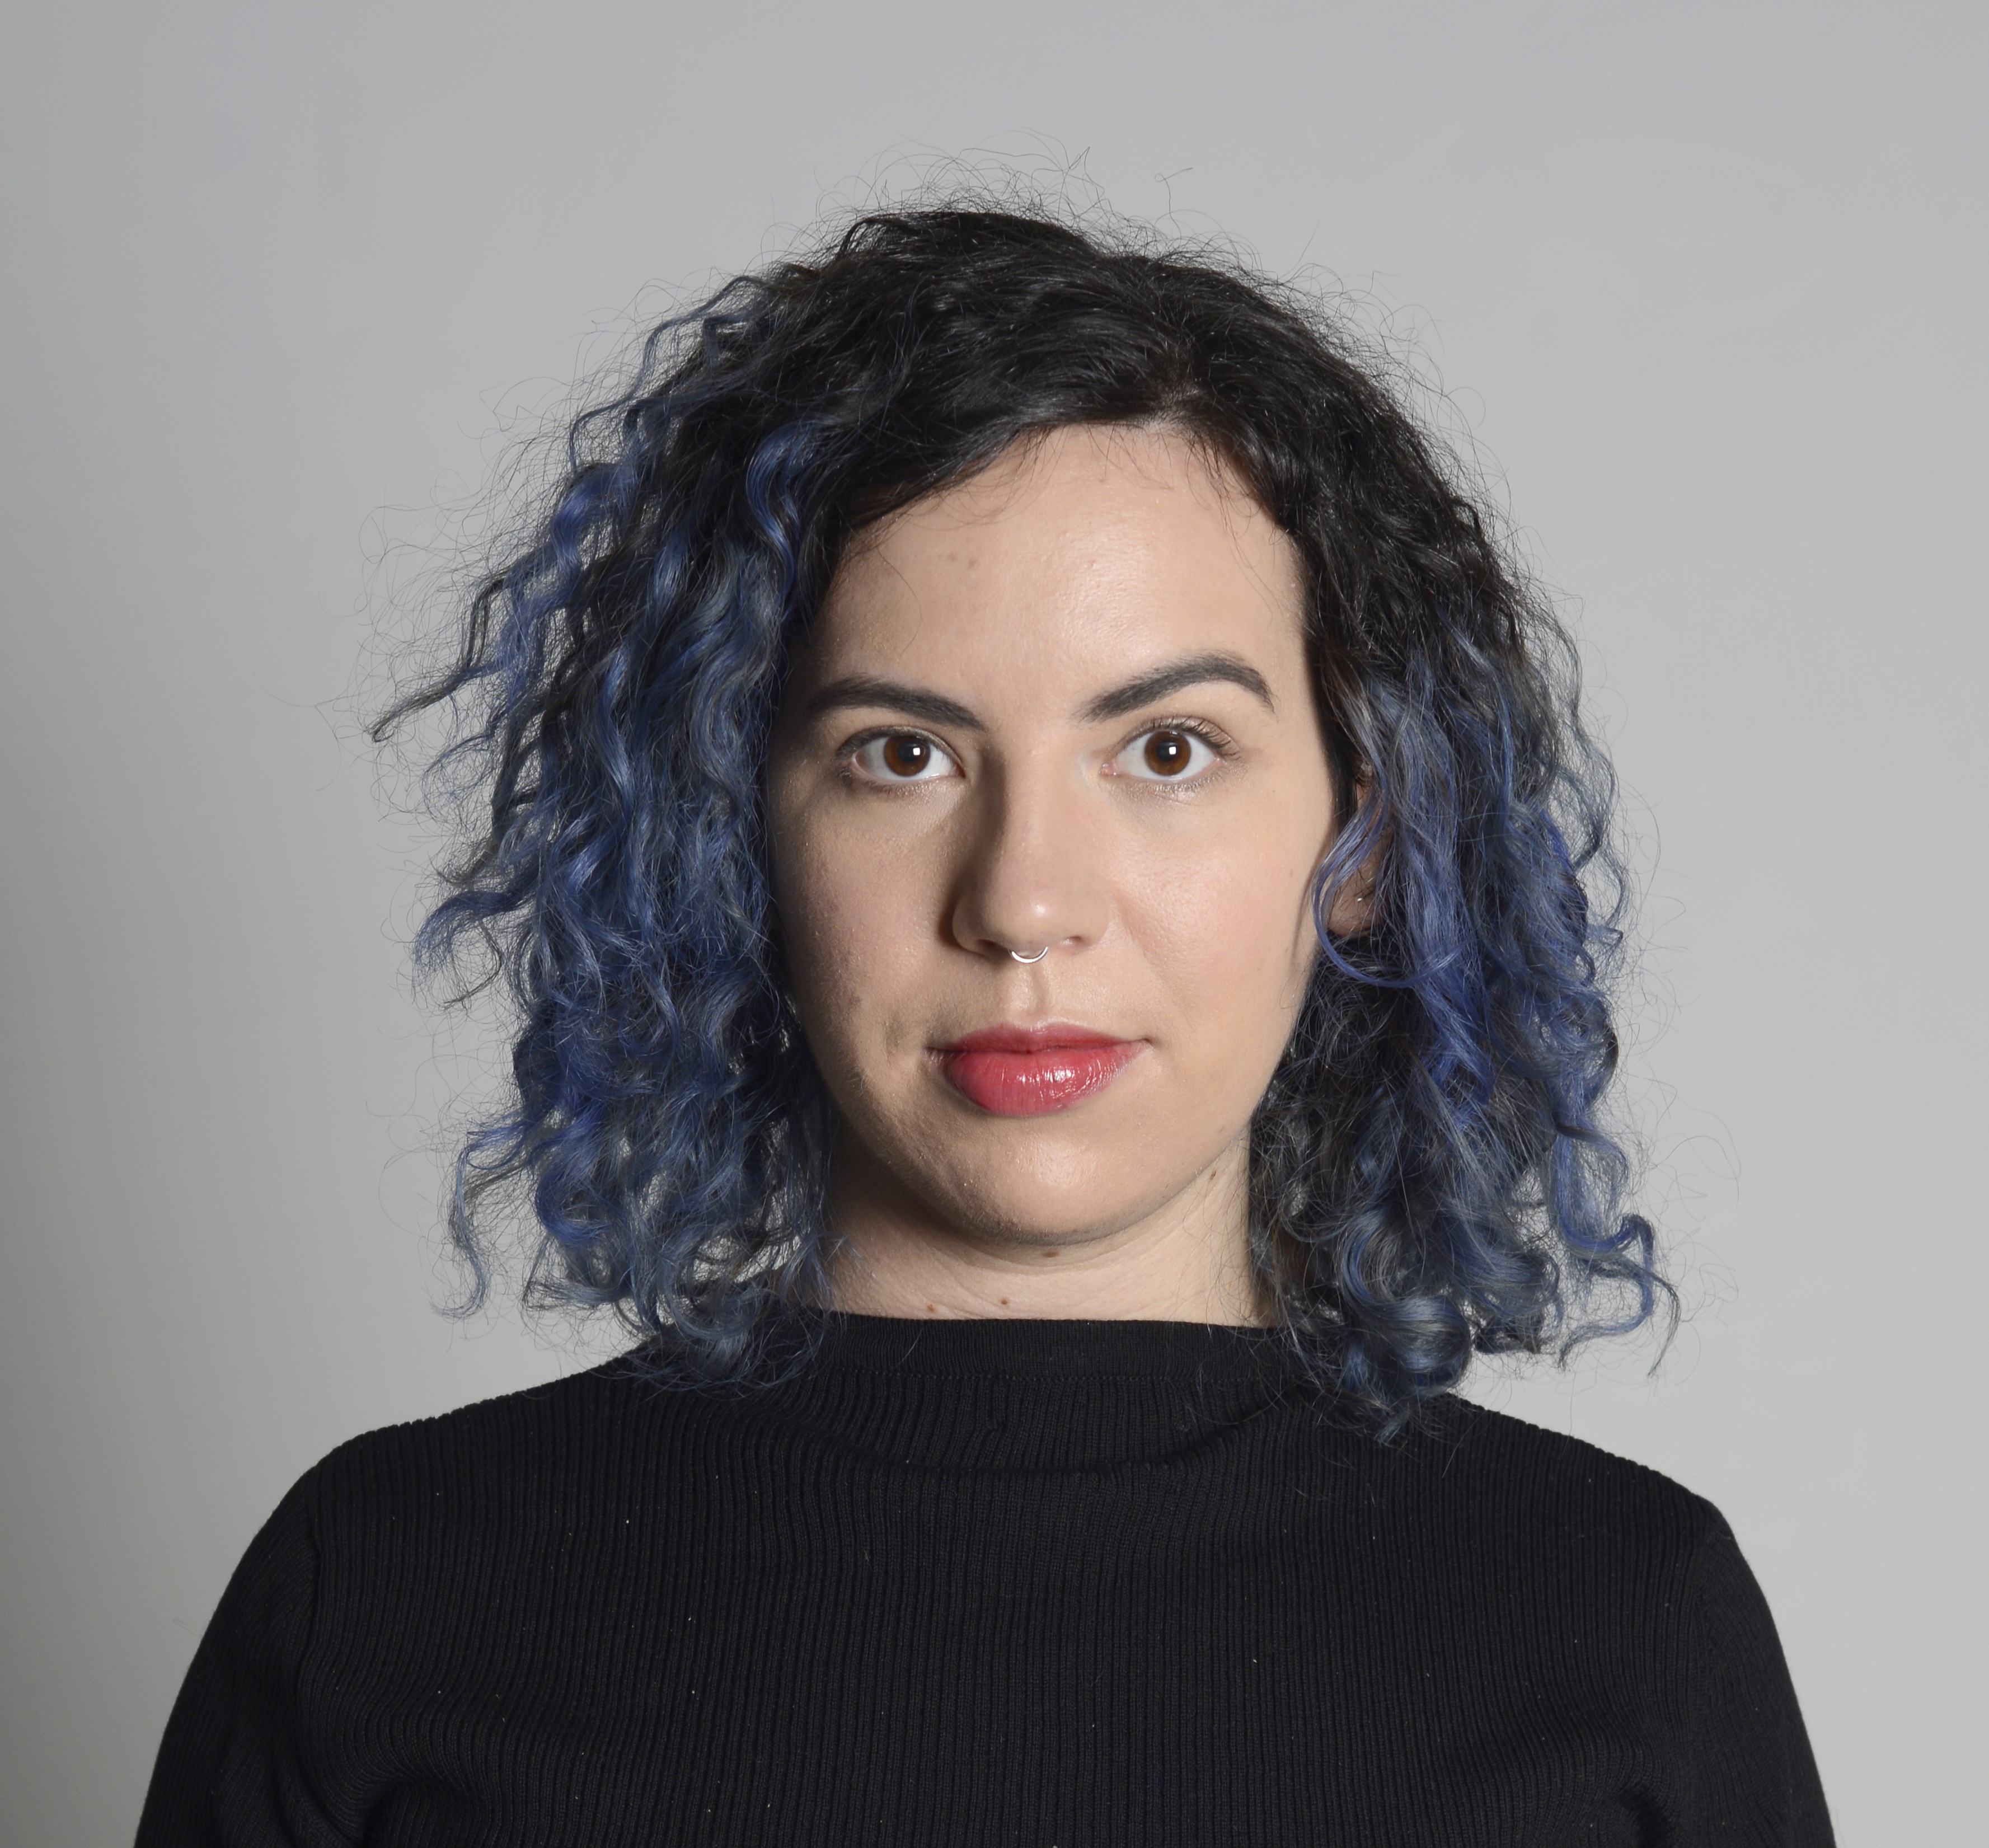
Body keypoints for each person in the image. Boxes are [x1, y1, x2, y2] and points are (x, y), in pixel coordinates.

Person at [137, 204, 1833, 1845]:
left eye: (1166, 750)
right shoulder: (389, 1593)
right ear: (739, 832)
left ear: (1366, 843)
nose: (1023, 902)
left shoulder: (1619, 1623)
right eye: (902, 752)